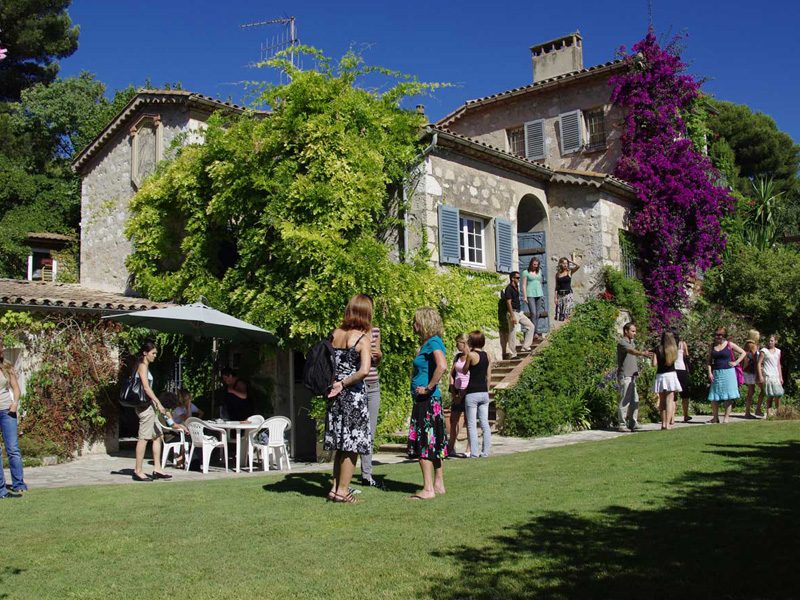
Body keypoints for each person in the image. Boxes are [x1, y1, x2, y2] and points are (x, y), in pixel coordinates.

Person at [324, 294, 373, 503]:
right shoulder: (362, 338)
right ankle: (343, 491)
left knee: (340, 444)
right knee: (352, 445)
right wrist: (344, 383)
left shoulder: (334, 334)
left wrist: (336, 384)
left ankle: (335, 489)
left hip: (334, 397)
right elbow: (364, 371)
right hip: (353, 397)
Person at [406, 306, 448, 500]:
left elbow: (442, 365)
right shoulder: (430, 343)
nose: (413, 324)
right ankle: (438, 484)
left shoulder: (433, 343)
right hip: (431, 401)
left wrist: (428, 387)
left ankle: (428, 489)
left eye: (415, 321)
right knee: (435, 442)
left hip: (427, 400)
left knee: (425, 442)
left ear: (423, 322)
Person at [132, 342, 173, 481]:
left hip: (150, 406)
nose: (155, 356)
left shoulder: (146, 367)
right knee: (144, 438)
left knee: (157, 435)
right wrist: (159, 403)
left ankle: (157, 468)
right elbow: (146, 388)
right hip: (145, 407)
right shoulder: (142, 366)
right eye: (153, 353)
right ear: (145, 353)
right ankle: (138, 470)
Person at [359, 296, 386, 490]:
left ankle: (366, 474)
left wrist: (379, 356)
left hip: (373, 385)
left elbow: (377, 359)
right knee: (356, 431)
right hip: (356, 386)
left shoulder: (376, 331)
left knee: (370, 431)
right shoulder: (351, 333)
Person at [0, 343, 26, 498]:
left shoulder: (6, 367)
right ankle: (1, 488)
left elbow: (16, 388)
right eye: (0, 347)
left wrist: (15, 403)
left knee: (13, 449)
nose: (3, 349)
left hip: (7, 411)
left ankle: (18, 484)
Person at [616, 322, 653, 431]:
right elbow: (631, 352)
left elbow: (632, 358)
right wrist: (642, 353)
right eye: (632, 331)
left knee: (634, 400)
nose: (635, 333)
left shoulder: (632, 342)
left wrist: (636, 371)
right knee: (625, 400)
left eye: (635, 331)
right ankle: (622, 424)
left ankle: (633, 422)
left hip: (632, 376)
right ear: (626, 331)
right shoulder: (622, 343)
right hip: (625, 375)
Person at [462, 330, 492, 458]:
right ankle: (485, 452)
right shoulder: (487, 355)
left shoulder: (471, 355)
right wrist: (487, 389)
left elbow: (464, 371)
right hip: (484, 392)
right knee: (485, 423)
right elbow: (488, 376)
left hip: (472, 392)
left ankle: (474, 453)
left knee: (472, 424)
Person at [707, 327, 745, 424]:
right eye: (716, 335)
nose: (718, 337)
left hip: (729, 372)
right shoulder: (712, 346)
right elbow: (709, 361)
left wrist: (736, 362)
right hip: (716, 372)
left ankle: (726, 417)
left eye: (720, 335)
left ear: (724, 335)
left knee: (728, 396)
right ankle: (715, 417)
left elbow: (743, 352)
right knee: (714, 396)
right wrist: (709, 372)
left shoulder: (729, 344)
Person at [652, 331, 682, 430]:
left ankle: (663, 423)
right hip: (671, 375)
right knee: (670, 400)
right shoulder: (674, 349)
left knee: (662, 401)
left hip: (660, 376)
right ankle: (668, 424)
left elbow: (654, 364)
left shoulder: (657, 349)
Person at [447, 334, 471, 458]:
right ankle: (451, 446)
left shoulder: (471, 356)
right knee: (453, 419)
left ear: (463, 343)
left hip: (467, 391)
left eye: (458, 342)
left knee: (468, 420)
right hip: (456, 389)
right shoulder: (457, 357)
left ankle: (469, 447)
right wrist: (453, 389)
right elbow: (452, 373)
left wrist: (462, 394)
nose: (456, 345)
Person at [501, 271, 534, 359]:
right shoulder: (509, 288)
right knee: (512, 333)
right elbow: (508, 303)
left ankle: (525, 346)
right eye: (517, 278)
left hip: (519, 312)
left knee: (531, 326)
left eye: (519, 278)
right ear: (512, 278)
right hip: (513, 312)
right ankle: (513, 354)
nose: (519, 279)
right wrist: (512, 316)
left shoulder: (516, 287)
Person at [757, 334, 784, 418]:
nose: (770, 342)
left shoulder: (778, 351)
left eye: (772, 340)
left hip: (776, 375)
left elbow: (778, 364)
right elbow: (759, 363)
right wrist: (760, 376)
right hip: (768, 375)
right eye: (769, 340)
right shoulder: (764, 351)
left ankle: (778, 412)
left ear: (775, 341)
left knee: (778, 394)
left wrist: (781, 376)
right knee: (770, 395)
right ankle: (769, 414)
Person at [522, 257, 545, 339]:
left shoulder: (539, 272)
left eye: (537, 265)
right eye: (534, 264)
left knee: (538, 314)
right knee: (533, 313)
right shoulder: (525, 272)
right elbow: (524, 285)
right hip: (530, 294)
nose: (535, 266)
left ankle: (536, 331)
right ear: (531, 263)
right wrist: (525, 296)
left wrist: (541, 291)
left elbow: (540, 282)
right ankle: (532, 331)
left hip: (538, 294)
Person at [673, 330, 692, 424]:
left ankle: (672, 416)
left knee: (673, 394)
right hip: (681, 369)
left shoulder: (669, 344)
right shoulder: (682, 344)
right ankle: (685, 414)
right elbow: (687, 356)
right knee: (684, 393)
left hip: (673, 369)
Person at [741, 330, 761, 419]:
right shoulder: (752, 345)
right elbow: (756, 359)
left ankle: (749, 411)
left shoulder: (747, 345)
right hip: (751, 371)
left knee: (751, 390)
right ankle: (751, 411)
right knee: (756, 390)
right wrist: (758, 372)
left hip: (747, 370)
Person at [554, 256, 580, 321]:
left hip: (568, 295)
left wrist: (571, 261)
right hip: (560, 296)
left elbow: (578, 266)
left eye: (566, 263)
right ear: (560, 264)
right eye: (564, 263)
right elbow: (556, 287)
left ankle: (569, 327)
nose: (565, 265)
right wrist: (555, 298)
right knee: (561, 314)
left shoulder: (569, 272)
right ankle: (564, 328)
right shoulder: (558, 274)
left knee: (568, 312)